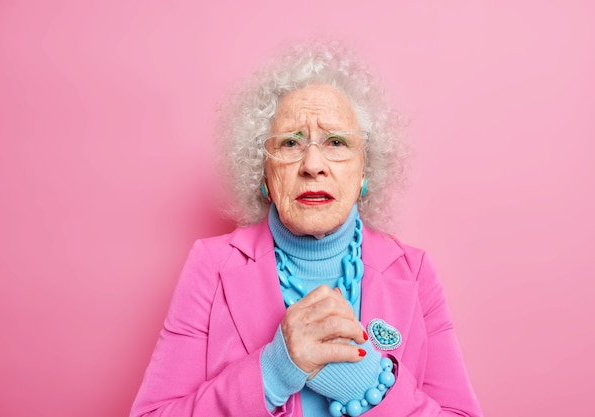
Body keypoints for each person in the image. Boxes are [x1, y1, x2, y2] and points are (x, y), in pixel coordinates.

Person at [130, 41, 483, 417]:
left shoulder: (414, 271)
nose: (313, 164)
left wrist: (369, 384)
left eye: (336, 142)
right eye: (290, 143)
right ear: (263, 173)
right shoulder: (211, 265)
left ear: (365, 170)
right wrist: (272, 373)